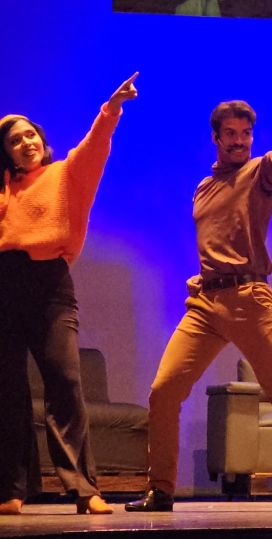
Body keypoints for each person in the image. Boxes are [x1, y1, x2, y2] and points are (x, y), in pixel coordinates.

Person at [126, 101, 272, 512]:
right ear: (216, 138)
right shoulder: (203, 187)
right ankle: (161, 490)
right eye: (231, 133)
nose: (240, 141)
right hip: (205, 301)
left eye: (246, 134)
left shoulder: (258, 173)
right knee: (163, 391)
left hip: (248, 299)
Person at [0, 74, 138, 516]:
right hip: (4, 284)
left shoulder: (65, 175)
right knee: (6, 389)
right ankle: (11, 488)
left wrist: (111, 109)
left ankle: (82, 488)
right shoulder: (4, 189)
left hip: (50, 286)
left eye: (30, 135)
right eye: (14, 140)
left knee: (64, 381)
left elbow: (95, 146)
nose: (25, 143)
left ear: (42, 140)